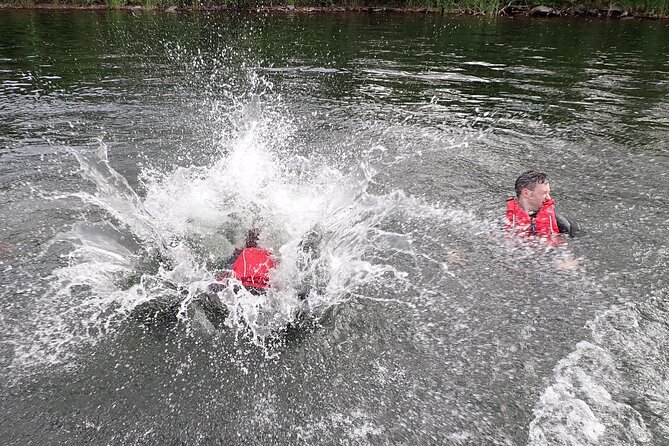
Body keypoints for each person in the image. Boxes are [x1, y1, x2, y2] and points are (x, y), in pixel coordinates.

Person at [505, 170, 575, 239]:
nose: (549, 198)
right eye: (544, 193)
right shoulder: (504, 222)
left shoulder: (560, 224)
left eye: (548, 193)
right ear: (526, 193)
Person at [214, 228, 277, 295]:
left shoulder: (242, 252)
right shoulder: (270, 256)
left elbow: (225, 275)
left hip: (241, 286)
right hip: (264, 289)